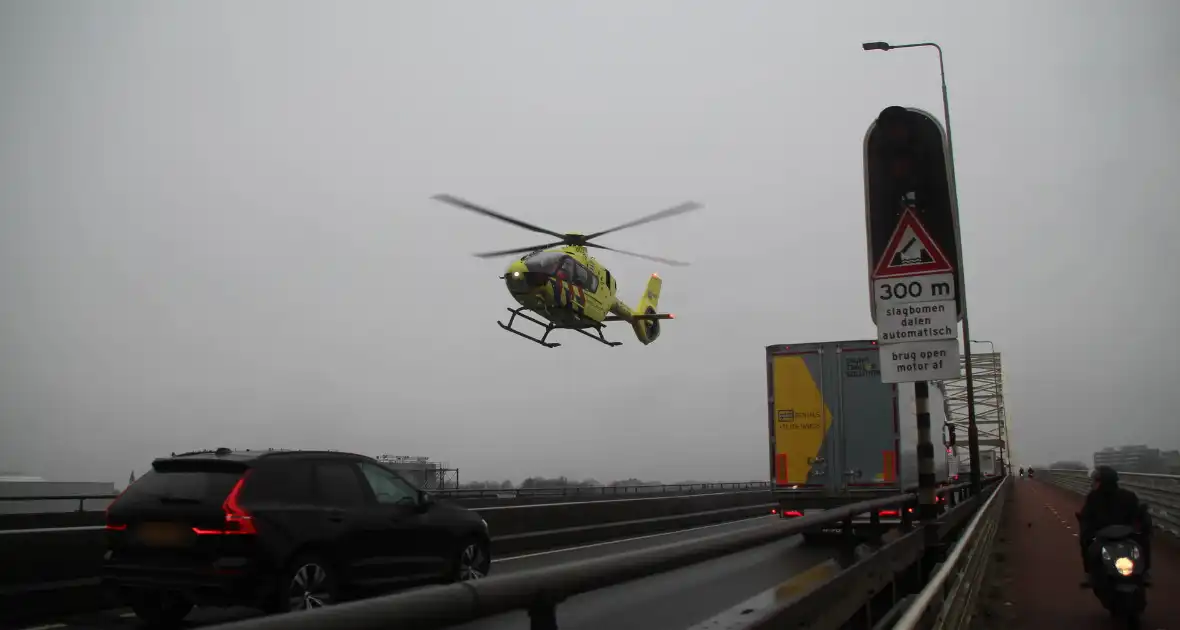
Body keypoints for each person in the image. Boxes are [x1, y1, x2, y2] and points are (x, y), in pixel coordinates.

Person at [1078, 465, 1151, 585]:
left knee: (1087, 544)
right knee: (1143, 543)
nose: (1093, 483)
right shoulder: (1129, 495)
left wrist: (1086, 528)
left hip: (1104, 536)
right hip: (1128, 534)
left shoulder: (1094, 497)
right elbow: (1139, 515)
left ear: (1101, 482)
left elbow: (1087, 516)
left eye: (1096, 480)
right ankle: (1145, 572)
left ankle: (1090, 574)